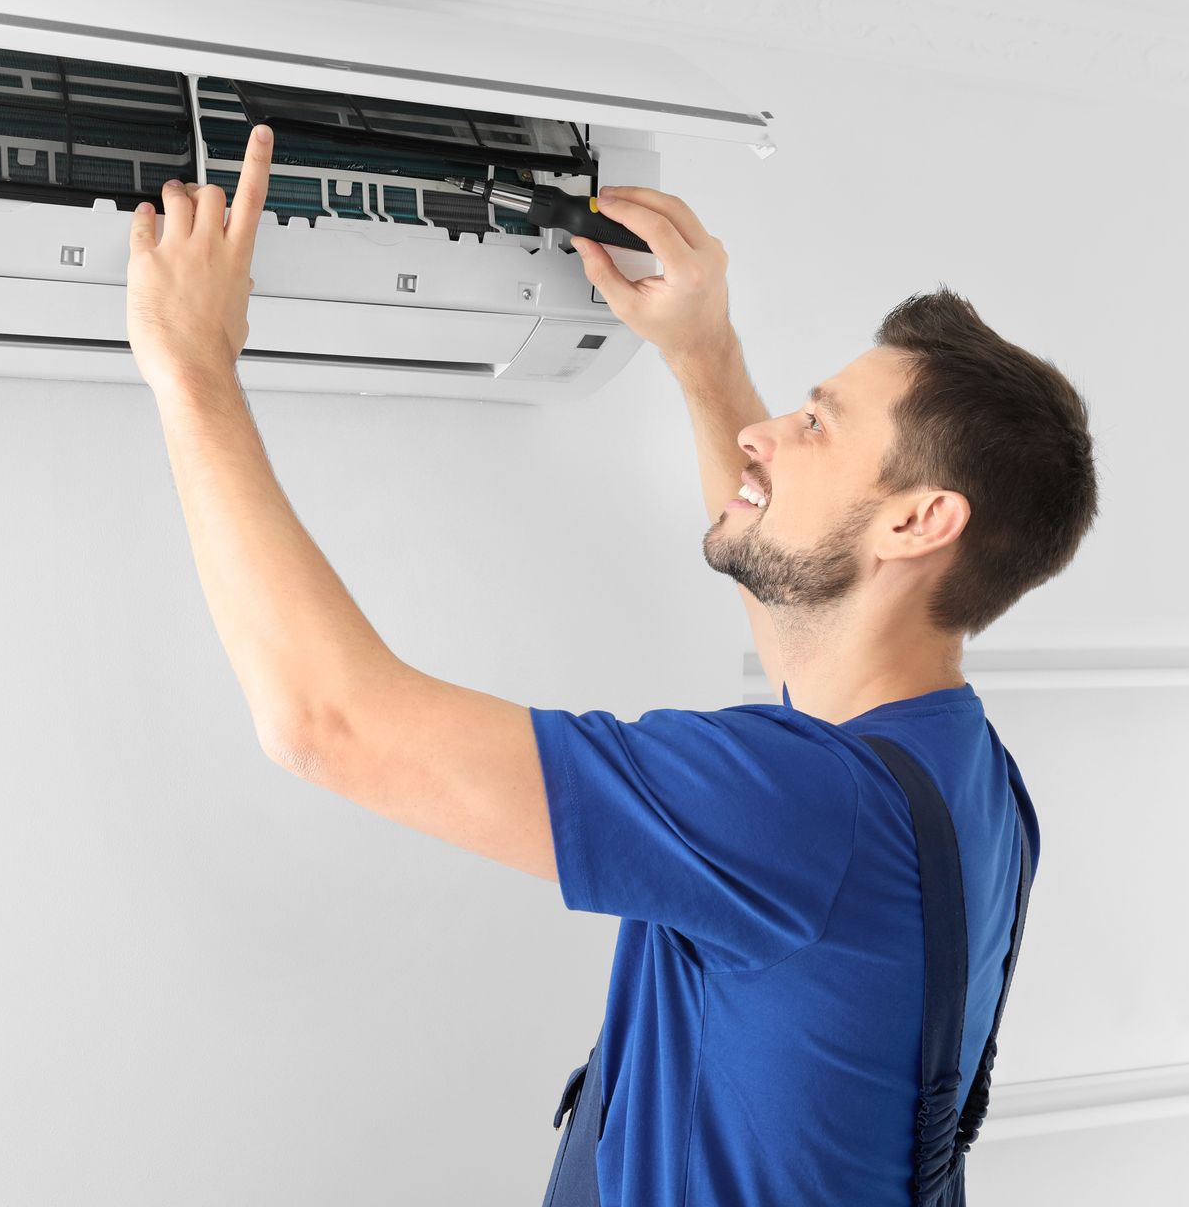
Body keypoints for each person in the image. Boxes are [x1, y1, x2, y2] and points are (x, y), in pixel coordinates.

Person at [124, 132, 1100, 1203]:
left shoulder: (801, 805)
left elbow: (327, 721)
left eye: (817, 425)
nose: (767, 435)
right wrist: (703, 352)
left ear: (917, 522)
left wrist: (192, 366)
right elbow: (805, 629)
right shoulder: (966, 780)